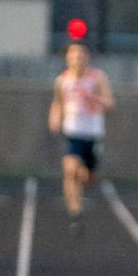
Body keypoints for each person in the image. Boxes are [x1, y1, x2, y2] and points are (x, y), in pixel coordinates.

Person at [48, 42, 115, 233]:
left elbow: (111, 104)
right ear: (68, 59)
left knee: (88, 178)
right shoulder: (62, 80)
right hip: (72, 133)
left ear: (87, 58)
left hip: (93, 134)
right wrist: (54, 118)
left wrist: (96, 99)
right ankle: (75, 215)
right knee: (69, 170)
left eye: (80, 56)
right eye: (73, 56)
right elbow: (58, 102)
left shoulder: (97, 78)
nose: (77, 60)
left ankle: (88, 175)